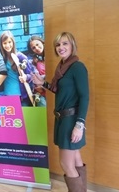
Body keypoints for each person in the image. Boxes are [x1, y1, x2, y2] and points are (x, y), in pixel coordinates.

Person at [33, 32, 89, 192]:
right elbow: (61, 91)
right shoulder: (62, 67)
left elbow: (85, 97)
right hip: (63, 119)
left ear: (72, 45)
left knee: (66, 164)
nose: (61, 47)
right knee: (76, 159)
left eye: (65, 44)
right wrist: (43, 83)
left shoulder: (77, 67)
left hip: (71, 120)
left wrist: (80, 124)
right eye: (58, 45)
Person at [0, 31, 35, 106]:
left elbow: (31, 75)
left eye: (9, 42)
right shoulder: (1, 58)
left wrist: (26, 77)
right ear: (1, 44)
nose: (7, 45)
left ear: (13, 42)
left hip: (21, 97)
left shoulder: (21, 57)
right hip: (6, 96)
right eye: (5, 43)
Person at [27, 35, 46, 107]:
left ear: (42, 42)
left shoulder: (52, 55)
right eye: (33, 48)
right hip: (40, 94)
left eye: (37, 44)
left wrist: (44, 88)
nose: (37, 48)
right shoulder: (34, 60)